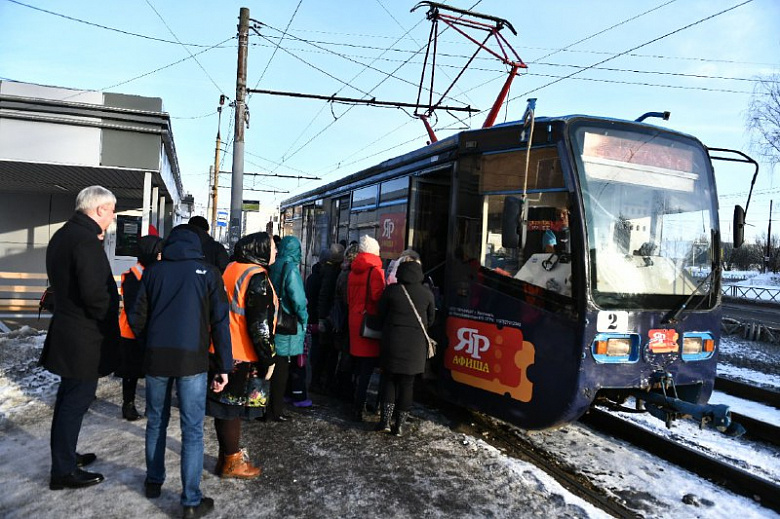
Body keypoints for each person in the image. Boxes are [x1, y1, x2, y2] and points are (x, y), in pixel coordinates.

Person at [130, 224, 232, 519]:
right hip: (193, 361)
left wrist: (148, 343)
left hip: (157, 359)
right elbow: (221, 323)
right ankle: (190, 501)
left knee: (156, 422)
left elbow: (137, 317)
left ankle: (153, 481)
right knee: (192, 431)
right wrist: (223, 366)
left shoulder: (153, 272)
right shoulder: (209, 273)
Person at [40, 185, 120, 490]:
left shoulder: (65, 234)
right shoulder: (85, 241)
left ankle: (65, 457)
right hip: (83, 337)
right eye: (112, 211)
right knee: (75, 401)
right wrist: (109, 318)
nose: (113, 218)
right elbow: (94, 294)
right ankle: (62, 471)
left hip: (69, 331)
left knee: (68, 399)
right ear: (100, 209)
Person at [208, 232, 277, 480]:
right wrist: (268, 358)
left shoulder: (232, 268)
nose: (276, 251)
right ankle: (232, 462)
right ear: (259, 250)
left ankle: (225, 457)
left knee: (223, 408)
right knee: (232, 410)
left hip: (221, 347)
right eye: (271, 247)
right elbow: (259, 325)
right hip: (242, 352)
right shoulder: (256, 276)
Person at [375, 259, 435, 436]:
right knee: (407, 384)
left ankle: (385, 421)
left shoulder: (391, 291)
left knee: (389, 380)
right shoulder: (427, 294)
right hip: (415, 347)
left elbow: (381, 314)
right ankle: (399, 426)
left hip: (392, 343)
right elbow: (430, 320)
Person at [116, 234, 163, 421]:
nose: (161, 256)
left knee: (141, 371)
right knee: (131, 373)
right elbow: (135, 310)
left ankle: (140, 406)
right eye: (158, 253)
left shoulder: (149, 272)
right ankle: (128, 405)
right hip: (132, 332)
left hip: (143, 330)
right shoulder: (134, 275)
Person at [267, 235, 308, 422]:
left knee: (273, 363)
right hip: (287, 322)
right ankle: (276, 410)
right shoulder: (291, 268)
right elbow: (298, 299)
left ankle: (266, 406)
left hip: (273, 319)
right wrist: (304, 318)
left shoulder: (274, 264)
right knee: (282, 367)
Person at [347, 235, 385, 422]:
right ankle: (360, 407)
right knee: (367, 372)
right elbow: (379, 298)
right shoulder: (375, 272)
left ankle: (354, 404)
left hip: (354, 323)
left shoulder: (353, 271)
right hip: (369, 326)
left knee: (358, 368)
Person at [312, 243, 345, 393]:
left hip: (327, 317)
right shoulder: (332, 272)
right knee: (327, 352)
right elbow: (325, 296)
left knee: (324, 351)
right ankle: (320, 382)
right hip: (329, 318)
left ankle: (319, 380)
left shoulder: (326, 270)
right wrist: (323, 318)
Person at [330, 243, 358, 400]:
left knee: (344, 354)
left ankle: (340, 386)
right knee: (346, 355)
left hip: (341, 318)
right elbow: (347, 300)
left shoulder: (343, 272)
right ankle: (342, 389)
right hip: (345, 318)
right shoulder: (348, 274)